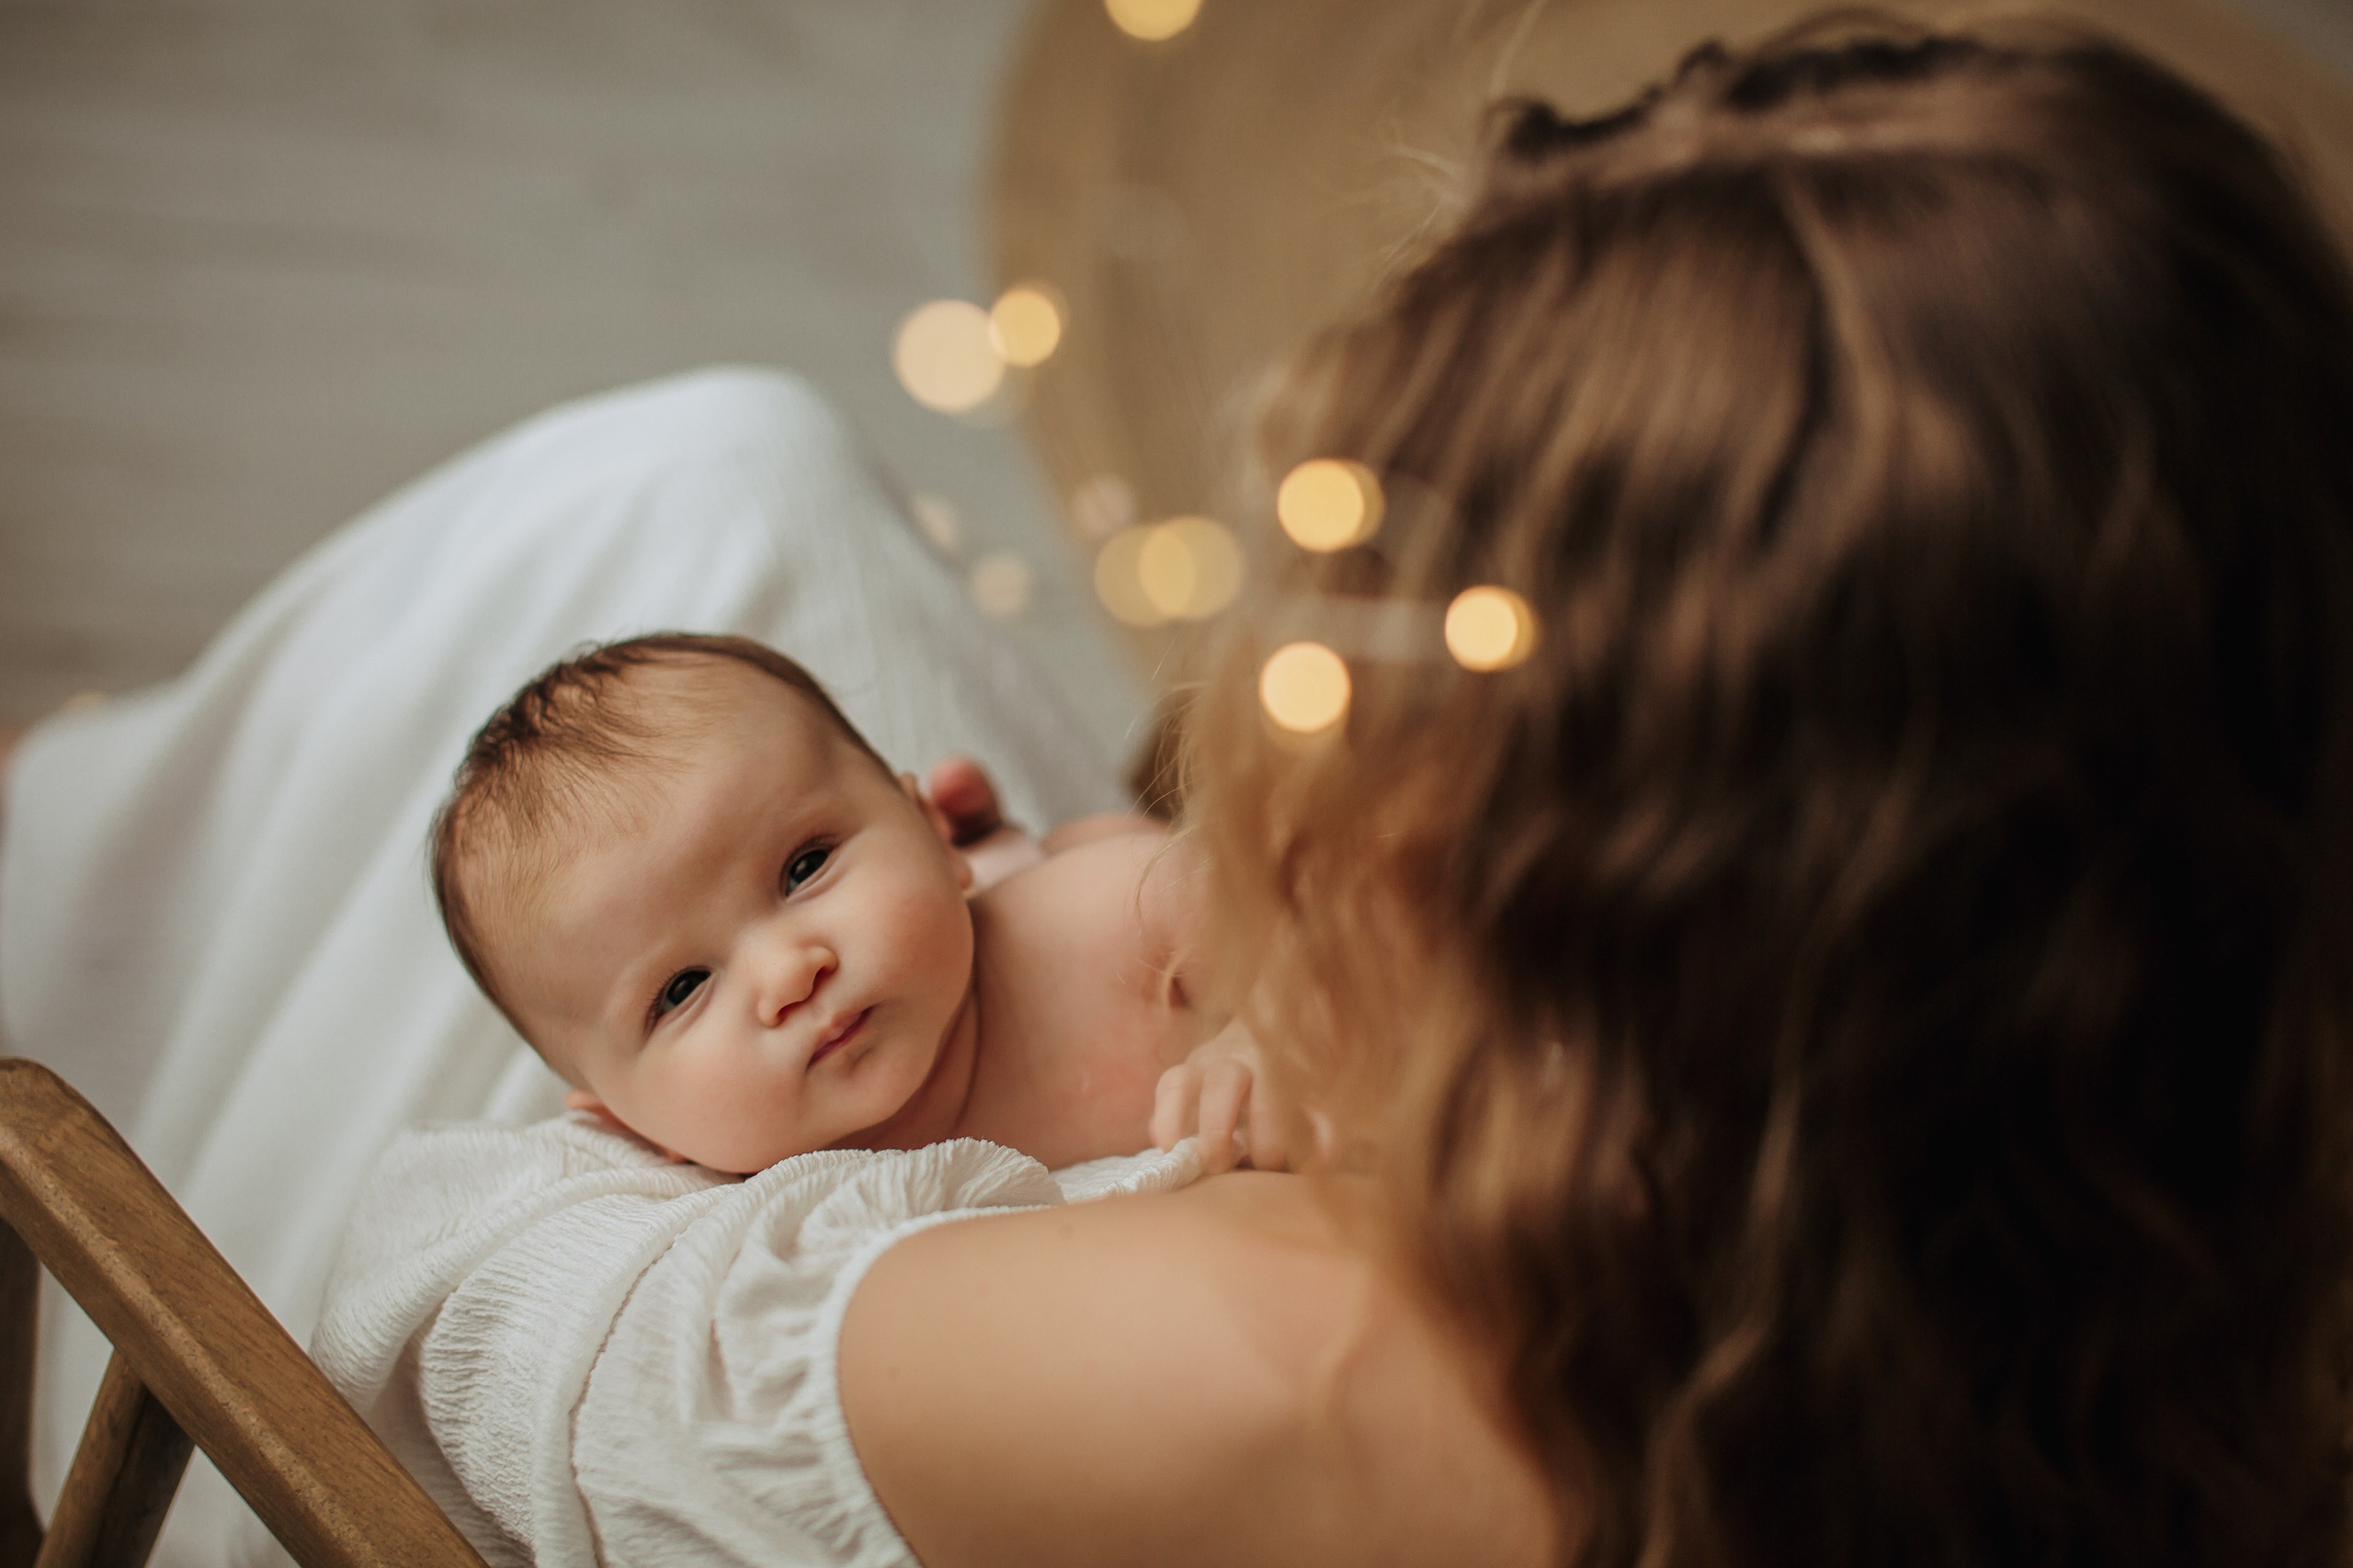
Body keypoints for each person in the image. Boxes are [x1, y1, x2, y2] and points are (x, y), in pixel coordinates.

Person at [9, 17, 2350, 1568]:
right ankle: (115, 832)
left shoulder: (1346, 1363)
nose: (1297, 663)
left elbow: (487, 1320)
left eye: (1392, 638)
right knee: (741, 489)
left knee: (684, 505)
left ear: (1602, 878)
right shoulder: (2130, 1091)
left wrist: (705, 1036)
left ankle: (82, 889)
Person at [427, 630, 1273, 1174]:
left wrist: (1270, 1036)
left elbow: (1337, 920)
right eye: (681, 990)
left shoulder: (1112, 918)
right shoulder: (751, 1232)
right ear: (626, 1121)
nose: (789, 974)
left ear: (932, 831)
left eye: (804, 867)